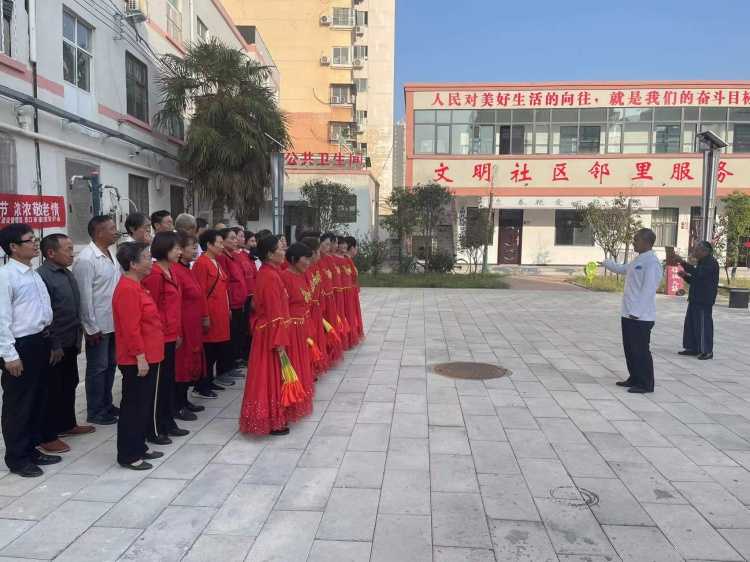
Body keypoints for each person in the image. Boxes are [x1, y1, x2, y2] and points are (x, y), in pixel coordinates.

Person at [0, 224, 59, 477]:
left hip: (39, 341)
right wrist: (9, 355)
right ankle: (17, 458)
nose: (36, 243)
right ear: (13, 247)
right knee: (19, 404)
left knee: (37, 399)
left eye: (35, 239)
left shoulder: (32, 273)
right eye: (29, 240)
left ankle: (31, 448)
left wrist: (50, 341)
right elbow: (1, 319)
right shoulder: (6, 276)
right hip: (21, 345)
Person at [37, 234, 94, 455]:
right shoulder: (43, 277)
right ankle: (47, 435)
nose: (72, 253)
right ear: (51, 253)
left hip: (71, 340)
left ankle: (67, 424)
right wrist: (54, 343)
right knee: (52, 389)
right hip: (55, 344)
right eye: (68, 249)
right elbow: (45, 314)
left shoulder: (66, 273)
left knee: (69, 383)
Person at [112, 242, 165, 471]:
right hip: (136, 359)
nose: (151, 261)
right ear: (133, 264)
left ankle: (139, 445)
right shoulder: (127, 289)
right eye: (146, 257)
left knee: (143, 405)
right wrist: (140, 357)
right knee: (133, 406)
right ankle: (128, 454)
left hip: (150, 354)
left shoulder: (138, 286)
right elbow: (130, 329)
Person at [239, 235, 292, 436]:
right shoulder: (269, 276)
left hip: (270, 330)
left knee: (269, 376)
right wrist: (280, 340)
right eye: (280, 248)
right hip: (270, 334)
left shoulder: (271, 272)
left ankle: (272, 417)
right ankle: (270, 420)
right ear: (270, 254)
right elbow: (274, 312)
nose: (284, 250)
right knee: (268, 377)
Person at [73, 215, 121, 425]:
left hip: (114, 322)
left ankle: (106, 404)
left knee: (111, 365)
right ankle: (95, 410)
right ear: (99, 232)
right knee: (98, 368)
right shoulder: (86, 259)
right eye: (112, 228)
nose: (116, 231)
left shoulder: (110, 253)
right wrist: (90, 327)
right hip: (98, 326)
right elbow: (84, 297)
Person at [603, 228, 663, 394]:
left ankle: (645, 384)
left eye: (636, 239)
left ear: (646, 242)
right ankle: (635, 377)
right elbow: (624, 269)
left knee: (640, 350)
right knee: (630, 348)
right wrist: (606, 263)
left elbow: (648, 290)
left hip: (640, 316)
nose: (633, 242)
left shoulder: (652, 263)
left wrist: (636, 312)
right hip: (628, 313)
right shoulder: (639, 259)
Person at [142, 232, 188, 445]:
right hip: (159, 336)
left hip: (171, 334)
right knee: (158, 385)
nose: (180, 252)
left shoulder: (171, 271)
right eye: (176, 248)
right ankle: (155, 428)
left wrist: (176, 332)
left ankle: (167, 421)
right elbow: (152, 310)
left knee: (167, 381)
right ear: (164, 249)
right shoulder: (154, 275)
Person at [172, 233, 207, 420]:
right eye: (192, 247)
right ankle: (177, 404)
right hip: (183, 324)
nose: (196, 251)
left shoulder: (188, 269)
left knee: (191, 361)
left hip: (193, 324)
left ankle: (184, 400)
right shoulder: (176, 271)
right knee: (181, 365)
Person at [192, 230, 231, 399]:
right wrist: (205, 315)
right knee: (208, 351)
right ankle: (201, 385)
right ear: (208, 244)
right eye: (219, 243)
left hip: (220, 313)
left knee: (216, 349)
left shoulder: (216, 262)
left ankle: (209, 380)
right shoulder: (202, 263)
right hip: (211, 313)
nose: (222, 246)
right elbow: (201, 292)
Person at [281, 243, 315, 419]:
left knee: (302, 363)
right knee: (293, 363)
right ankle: (289, 403)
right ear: (293, 259)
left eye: (309, 259)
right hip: (291, 329)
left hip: (302, 327)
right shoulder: (284, 277)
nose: (308, 262)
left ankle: (300, 396)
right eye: (305, 259)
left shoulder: (302, 275)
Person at [675, 241, 720, 360]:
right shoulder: (702, 262)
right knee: (691, 324)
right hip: (695, 298)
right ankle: (693, 348)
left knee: (703, 325)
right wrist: (685, 276)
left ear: (705, 251)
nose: (694, 252)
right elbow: (696, 279)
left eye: (696, 250)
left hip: (704, 300)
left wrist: (683, 263)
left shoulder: (711, 263)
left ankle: (707, 351)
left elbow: (698, 273)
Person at [216, 228, 247, 384]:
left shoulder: (233, 257)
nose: (236, 241)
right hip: (231, 302)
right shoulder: (223, 258)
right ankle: (224, 370)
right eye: (232, 238)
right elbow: (226, 283)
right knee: (229, 338)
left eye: (236, 238)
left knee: (235, 335)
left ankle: (231, 365)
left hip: (238, 301)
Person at [300, 236, 328, 375]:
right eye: (317, 251)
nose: (319, 254)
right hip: (308, 311)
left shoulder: (313, 268)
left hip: (315, 309)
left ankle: (315, 366)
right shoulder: (303, 271)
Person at [234, 227, 257, 370]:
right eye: (240, 236)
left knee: (247, 327)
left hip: (250, 294)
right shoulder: (233, 256)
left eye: (243, 236)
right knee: (240, 329)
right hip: (240, 298)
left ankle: (244, 354)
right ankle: (239, 356)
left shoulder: (245, 255)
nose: (241, 239)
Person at [344, 236, 364, 342]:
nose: (356, 249)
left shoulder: (349, 260)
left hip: (352, 292)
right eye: (356, 247)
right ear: (351, 248)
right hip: (349, 292)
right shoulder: (346, 260)